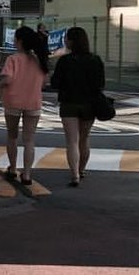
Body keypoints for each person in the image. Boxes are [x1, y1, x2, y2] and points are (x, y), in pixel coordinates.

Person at [0, 26, 49, 186]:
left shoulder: (13, 59)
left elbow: (8, 79)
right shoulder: (39, 60)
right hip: (33, 102)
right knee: (29, 140)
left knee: (12, 136)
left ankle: (12, 168)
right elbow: (45, 81)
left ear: (19, 41)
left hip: (13, 101)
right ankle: (27, 174)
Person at [50, 26, 104, 187]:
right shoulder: (95, 60)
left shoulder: (65, 61)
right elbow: (100, 84)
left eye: (67, 38)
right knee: (85, 138)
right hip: (90, 104)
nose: (65, 40)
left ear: (72, 41)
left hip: (69, 103)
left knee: (72, 141)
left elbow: (55, 83)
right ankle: (81, 170)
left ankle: (74, 175)